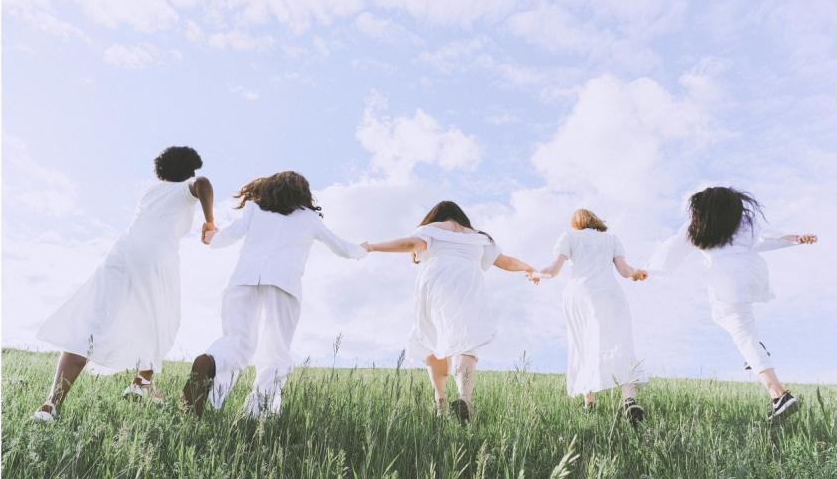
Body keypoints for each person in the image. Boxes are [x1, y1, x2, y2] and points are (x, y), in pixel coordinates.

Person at [33, 146, 214, 423]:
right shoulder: (184, 188)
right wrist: (210, 221)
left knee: (90, 325)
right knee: (161, 319)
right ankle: (142, 382)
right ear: (187, 171)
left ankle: (50, 404)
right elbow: (202, 184)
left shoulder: (150, 193)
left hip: (120, 256)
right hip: (156, 260)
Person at [181, 171, 366, 418]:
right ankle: (255, 418)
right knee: (275, 353)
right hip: (283, 284)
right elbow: (341, 247)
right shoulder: (309, 218)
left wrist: (210, 236)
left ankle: (211, 361)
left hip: (242, 281)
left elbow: (225, 237)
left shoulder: (255, 209)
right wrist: (362, 250)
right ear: (303, 194)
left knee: (237, 340)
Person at [648, 186, 817, 422]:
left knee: (743, 335)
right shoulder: (743, 224)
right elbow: (766, 236)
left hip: (724, 280)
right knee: (724, 318)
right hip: (748, 275)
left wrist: (649, 272)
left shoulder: (697, 227)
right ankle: (756, 350)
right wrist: (794, 238)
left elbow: (672, 249)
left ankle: (779, 395)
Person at [362, 200, 537, 424]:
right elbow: (506, 262)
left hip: (436, 286)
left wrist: (372, 246)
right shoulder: (479, 237)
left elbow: (409, 244)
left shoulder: (431, 230)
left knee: (431, 340)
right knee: (466, 344)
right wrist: (530, 269)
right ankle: (465, 398)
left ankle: (441, 400)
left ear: (435, 216)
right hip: (469, 288)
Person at [528, 209, 649, 422]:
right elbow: (625, 271)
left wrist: (537, 274)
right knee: (621, 342)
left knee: (583, 344)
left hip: (580, 295)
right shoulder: (611, 239)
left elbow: (553, 270)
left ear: (576, 223)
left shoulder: (569, 236)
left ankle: (589, 402)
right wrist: (638, 274)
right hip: (611, 294)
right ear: (595, 221)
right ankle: (628, 399)